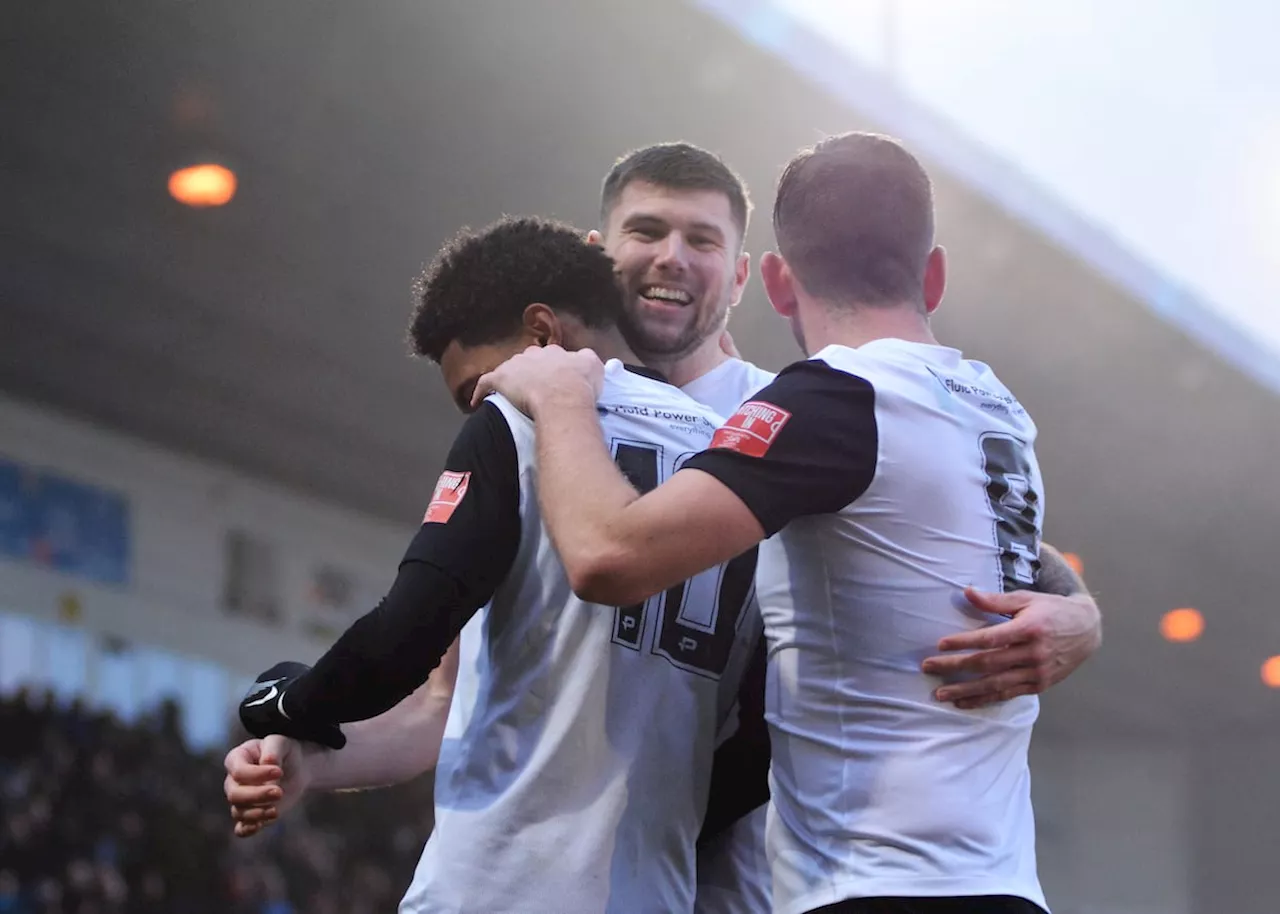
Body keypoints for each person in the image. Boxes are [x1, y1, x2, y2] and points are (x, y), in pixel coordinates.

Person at [226, 142, 1100, 912]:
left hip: (733, 887)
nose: (672, 259)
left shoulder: (787, 418)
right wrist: (315, 762)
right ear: (601, 256)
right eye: (647, 233)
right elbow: (444, 706)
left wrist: (1077, 612)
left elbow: (954, 518)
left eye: (703, 241)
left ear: (753, 274)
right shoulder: (553, 414)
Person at [473, 132, 1085, 914]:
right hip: (1005, 887)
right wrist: (1083, 612)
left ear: (775, 280)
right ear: (934, 274)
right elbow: (1016, 555)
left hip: (870, 888)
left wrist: (559, 398)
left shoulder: (832, 401)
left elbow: (605, 557)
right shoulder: (996, 412)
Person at [234, 216, 765, 914]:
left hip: (492, 888)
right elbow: (757, 748)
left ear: (541, 335)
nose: (474, 405)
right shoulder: (738, 474)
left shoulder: (515, 423)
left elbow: (404, 635)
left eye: (471, 389)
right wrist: (308, 759)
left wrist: (286, 700)